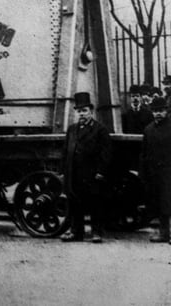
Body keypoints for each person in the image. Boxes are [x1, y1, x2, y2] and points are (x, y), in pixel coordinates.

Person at [61, 92, 112, 243]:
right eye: (79, 111)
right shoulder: (72, 129)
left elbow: (106, 153)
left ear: (91, 111)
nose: (81, 114)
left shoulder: (99, 129)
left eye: (84, 111)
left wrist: (101, 172)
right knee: (75, 202)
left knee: (94, 202)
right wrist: (63, 171)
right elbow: (65, 151)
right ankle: (76, 232)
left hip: (91, 174)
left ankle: (96, 232)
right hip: (74, 172)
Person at [139, 97, 171, 243]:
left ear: (166, 111)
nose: (158, 114)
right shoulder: (148, 129)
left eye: (160, 110)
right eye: (155, 111)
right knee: (160, 203)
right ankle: (163, 233)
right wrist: (143, 172)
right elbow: (144, 153)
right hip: (155, 173)